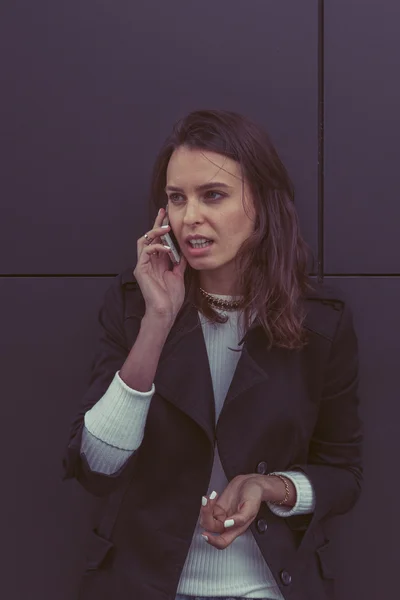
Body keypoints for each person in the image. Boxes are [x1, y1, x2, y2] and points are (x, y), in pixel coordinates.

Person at [62, 109, 363, 600]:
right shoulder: (133, 306)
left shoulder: (321, 323)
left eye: (214, 195)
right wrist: (157, 322)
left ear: (263, 204)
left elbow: (344, 473)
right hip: (145, 585)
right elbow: (96, 468)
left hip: (270, 586)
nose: (189, 217)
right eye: (177, 198)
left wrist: (271, 488)